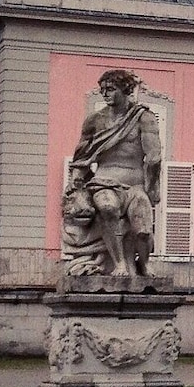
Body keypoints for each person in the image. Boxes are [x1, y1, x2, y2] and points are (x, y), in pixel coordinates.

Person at [63, 69, 162, 277]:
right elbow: (82, 156)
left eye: (110, 89)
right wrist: (77, 179)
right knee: (108, 208)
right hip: (104, 182)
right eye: (103, 90)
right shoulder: (94, 121)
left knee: (143, 230)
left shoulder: (144, 118)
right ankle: (119, 264)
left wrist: (153, 186)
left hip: (135, 185)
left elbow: (153, 156)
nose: (105, 94)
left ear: (125, 89)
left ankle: (143, 264)